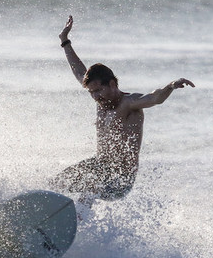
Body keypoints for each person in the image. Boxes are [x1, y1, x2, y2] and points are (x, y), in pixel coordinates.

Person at [53, 15, 194, 200]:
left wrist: (171, 86)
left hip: (121, 178)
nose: (95, 96)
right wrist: (64, 41)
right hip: (99, 166)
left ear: (112, 84)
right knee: (56, 184)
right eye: (91, 92)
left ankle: (80, 224)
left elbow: (154, 98)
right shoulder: (100, 99)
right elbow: (79, 72)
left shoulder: (129, 103)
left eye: (98, 90)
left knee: (90, 190)